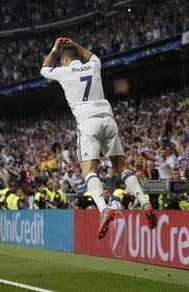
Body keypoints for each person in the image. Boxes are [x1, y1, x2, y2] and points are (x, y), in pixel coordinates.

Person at [40, 37, 157, 239]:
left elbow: (44, 69)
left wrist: (54, 49)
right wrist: (75, 45)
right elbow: (92, 56)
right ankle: (145, 201)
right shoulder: (93, 66)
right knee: (122, 167)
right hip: (108, 118)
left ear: (65, 60)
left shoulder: (63, 71)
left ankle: (103, 208)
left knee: (88, 170)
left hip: (87, 122)